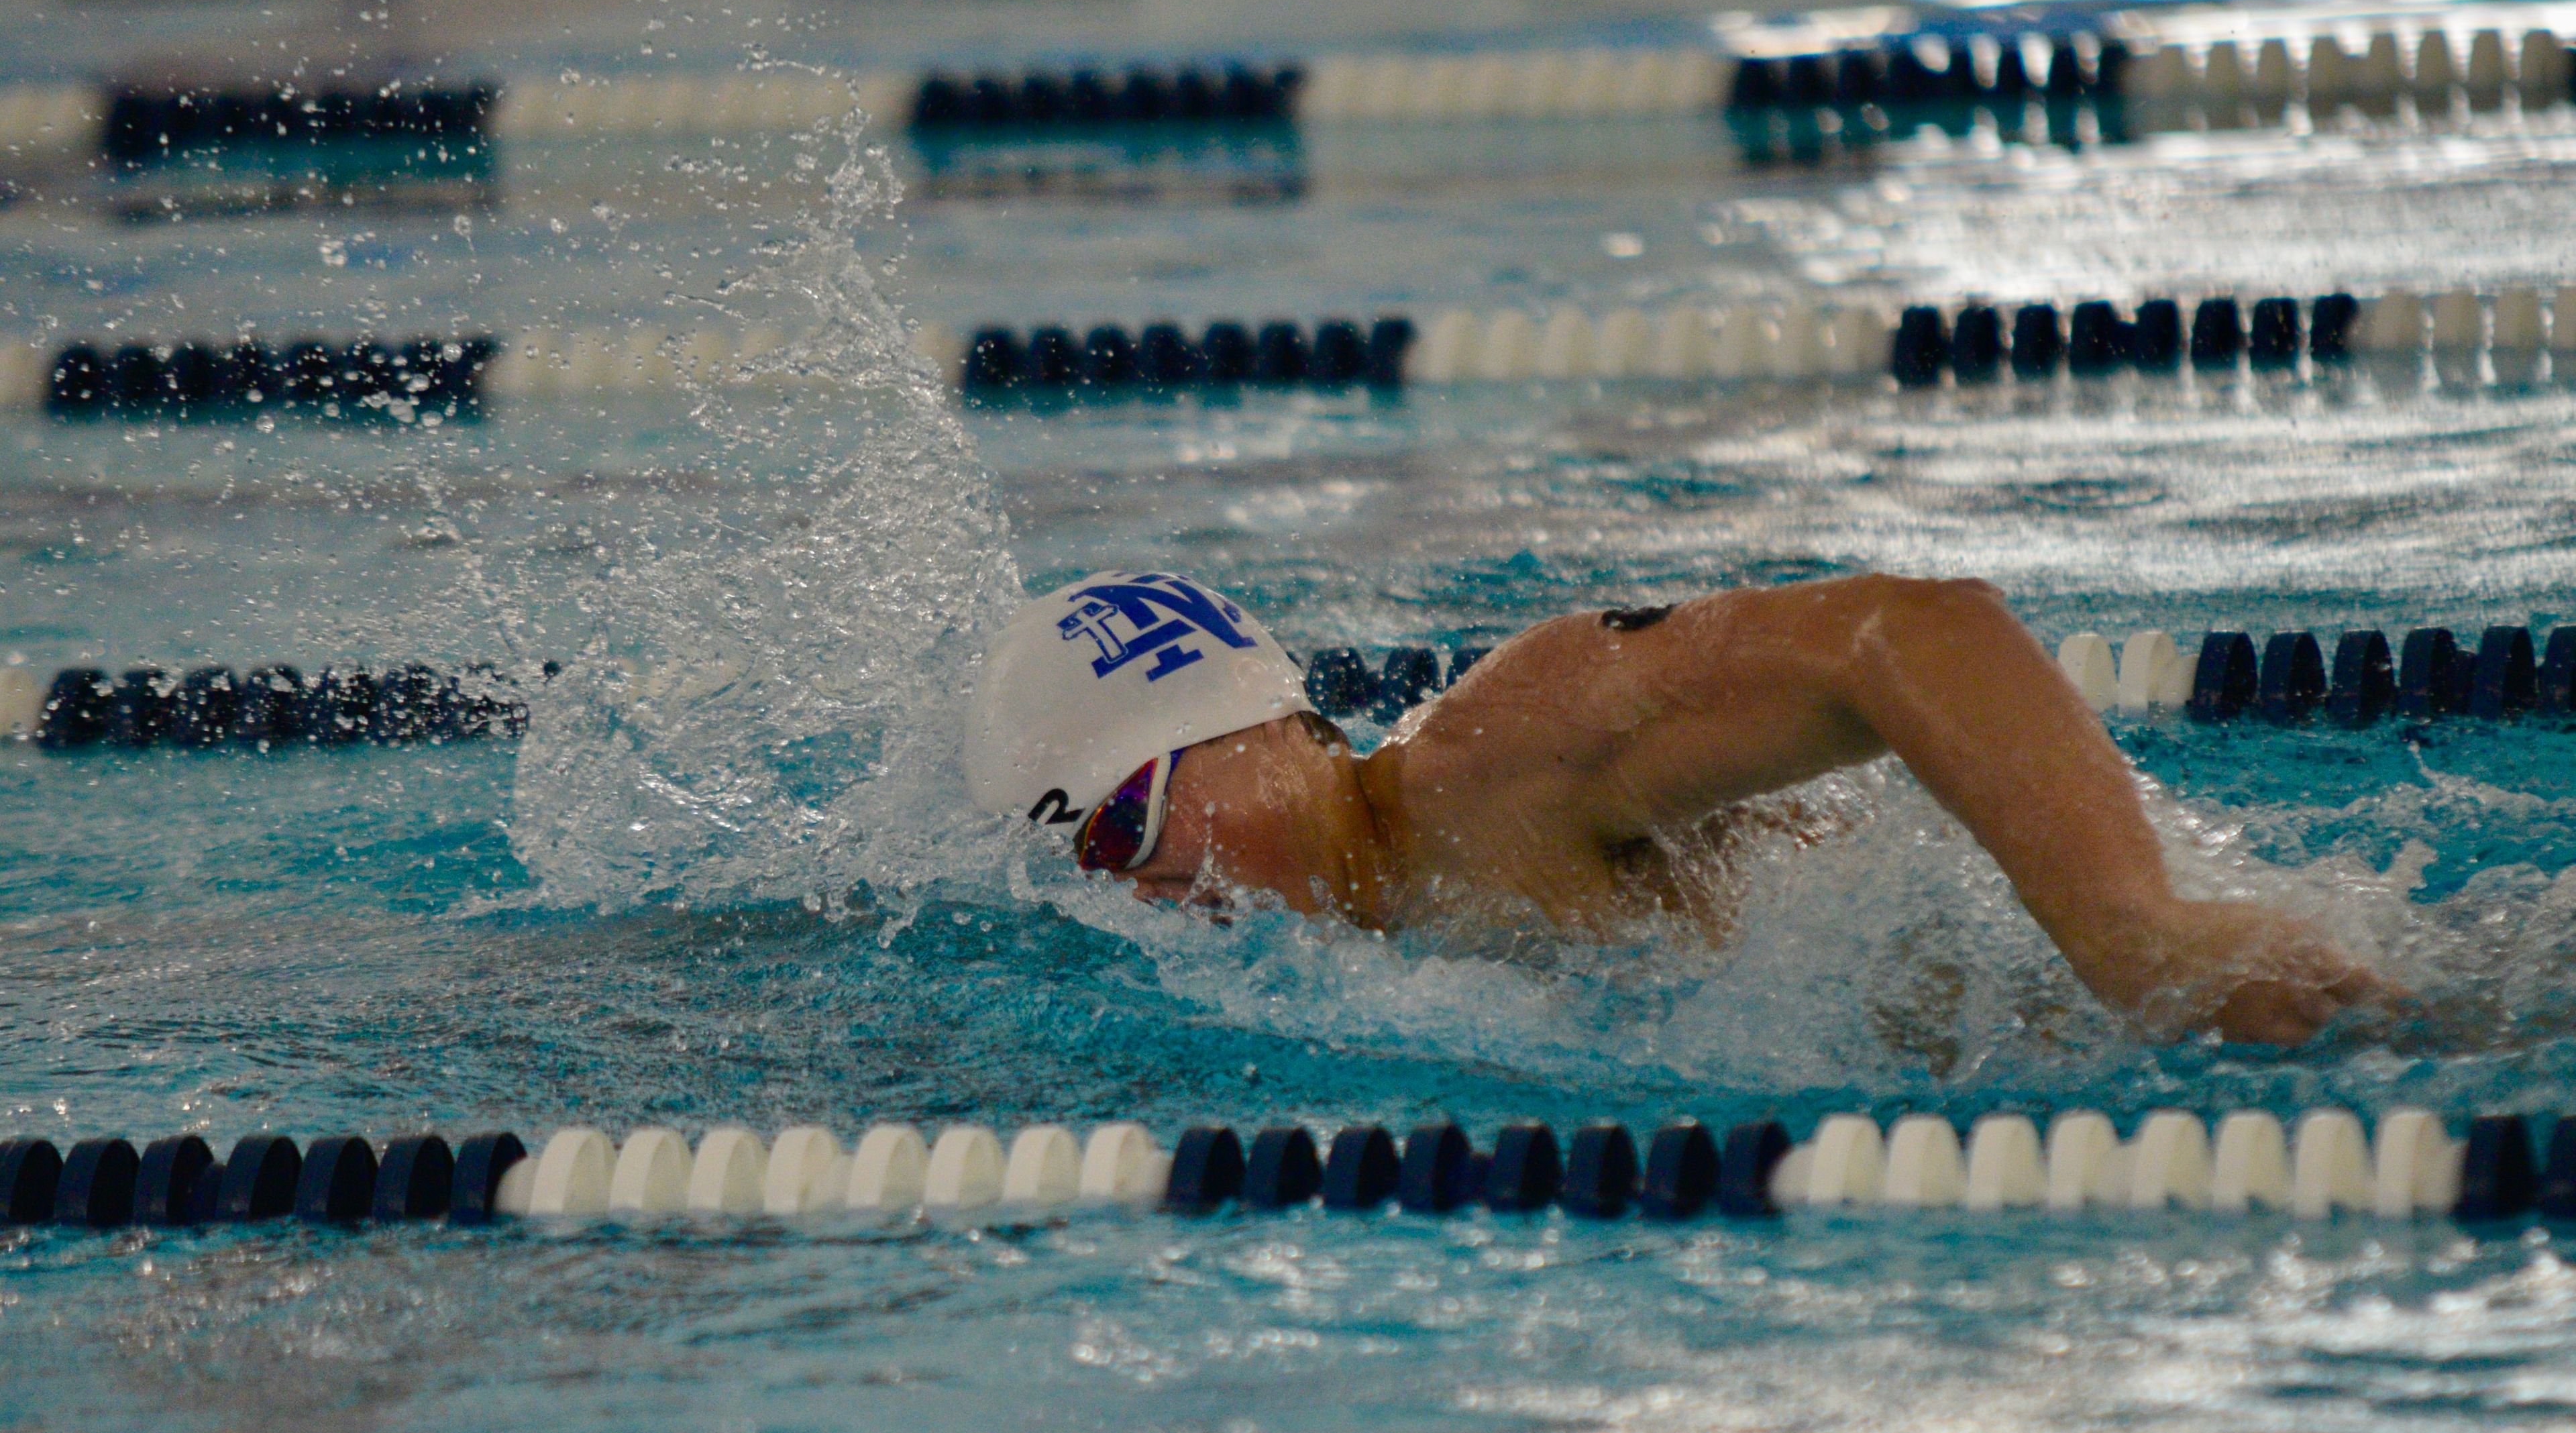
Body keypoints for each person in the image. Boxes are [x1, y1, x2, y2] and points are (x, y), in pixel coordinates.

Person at [965, 568, 2390, 1045]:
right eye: (1088, 869)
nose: (1140, 893)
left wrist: (2135, 930)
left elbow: (1912, 630)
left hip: (2202, 1002)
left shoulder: (1490, 767)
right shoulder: (1367, 937)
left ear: (1260, 730)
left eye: (1124, 830)